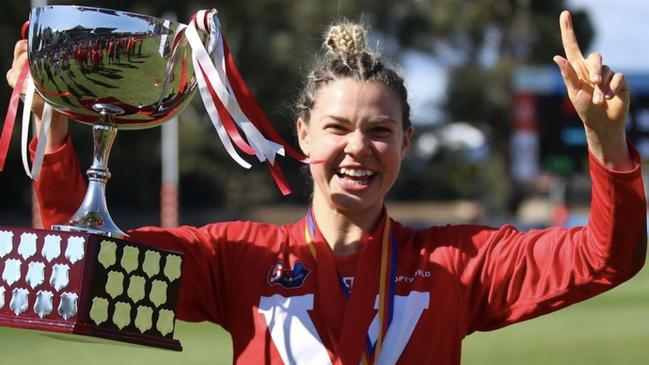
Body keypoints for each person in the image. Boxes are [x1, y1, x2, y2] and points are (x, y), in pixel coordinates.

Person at [5, 10, 646, 365]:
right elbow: (82, 266)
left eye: (381, 131)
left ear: (405, 144)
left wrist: (605, 143)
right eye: (338, 128)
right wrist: (57, 120)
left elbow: (604, 257)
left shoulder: (457, 266)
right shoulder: (239, 259)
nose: (358, 148)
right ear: (304, 135)